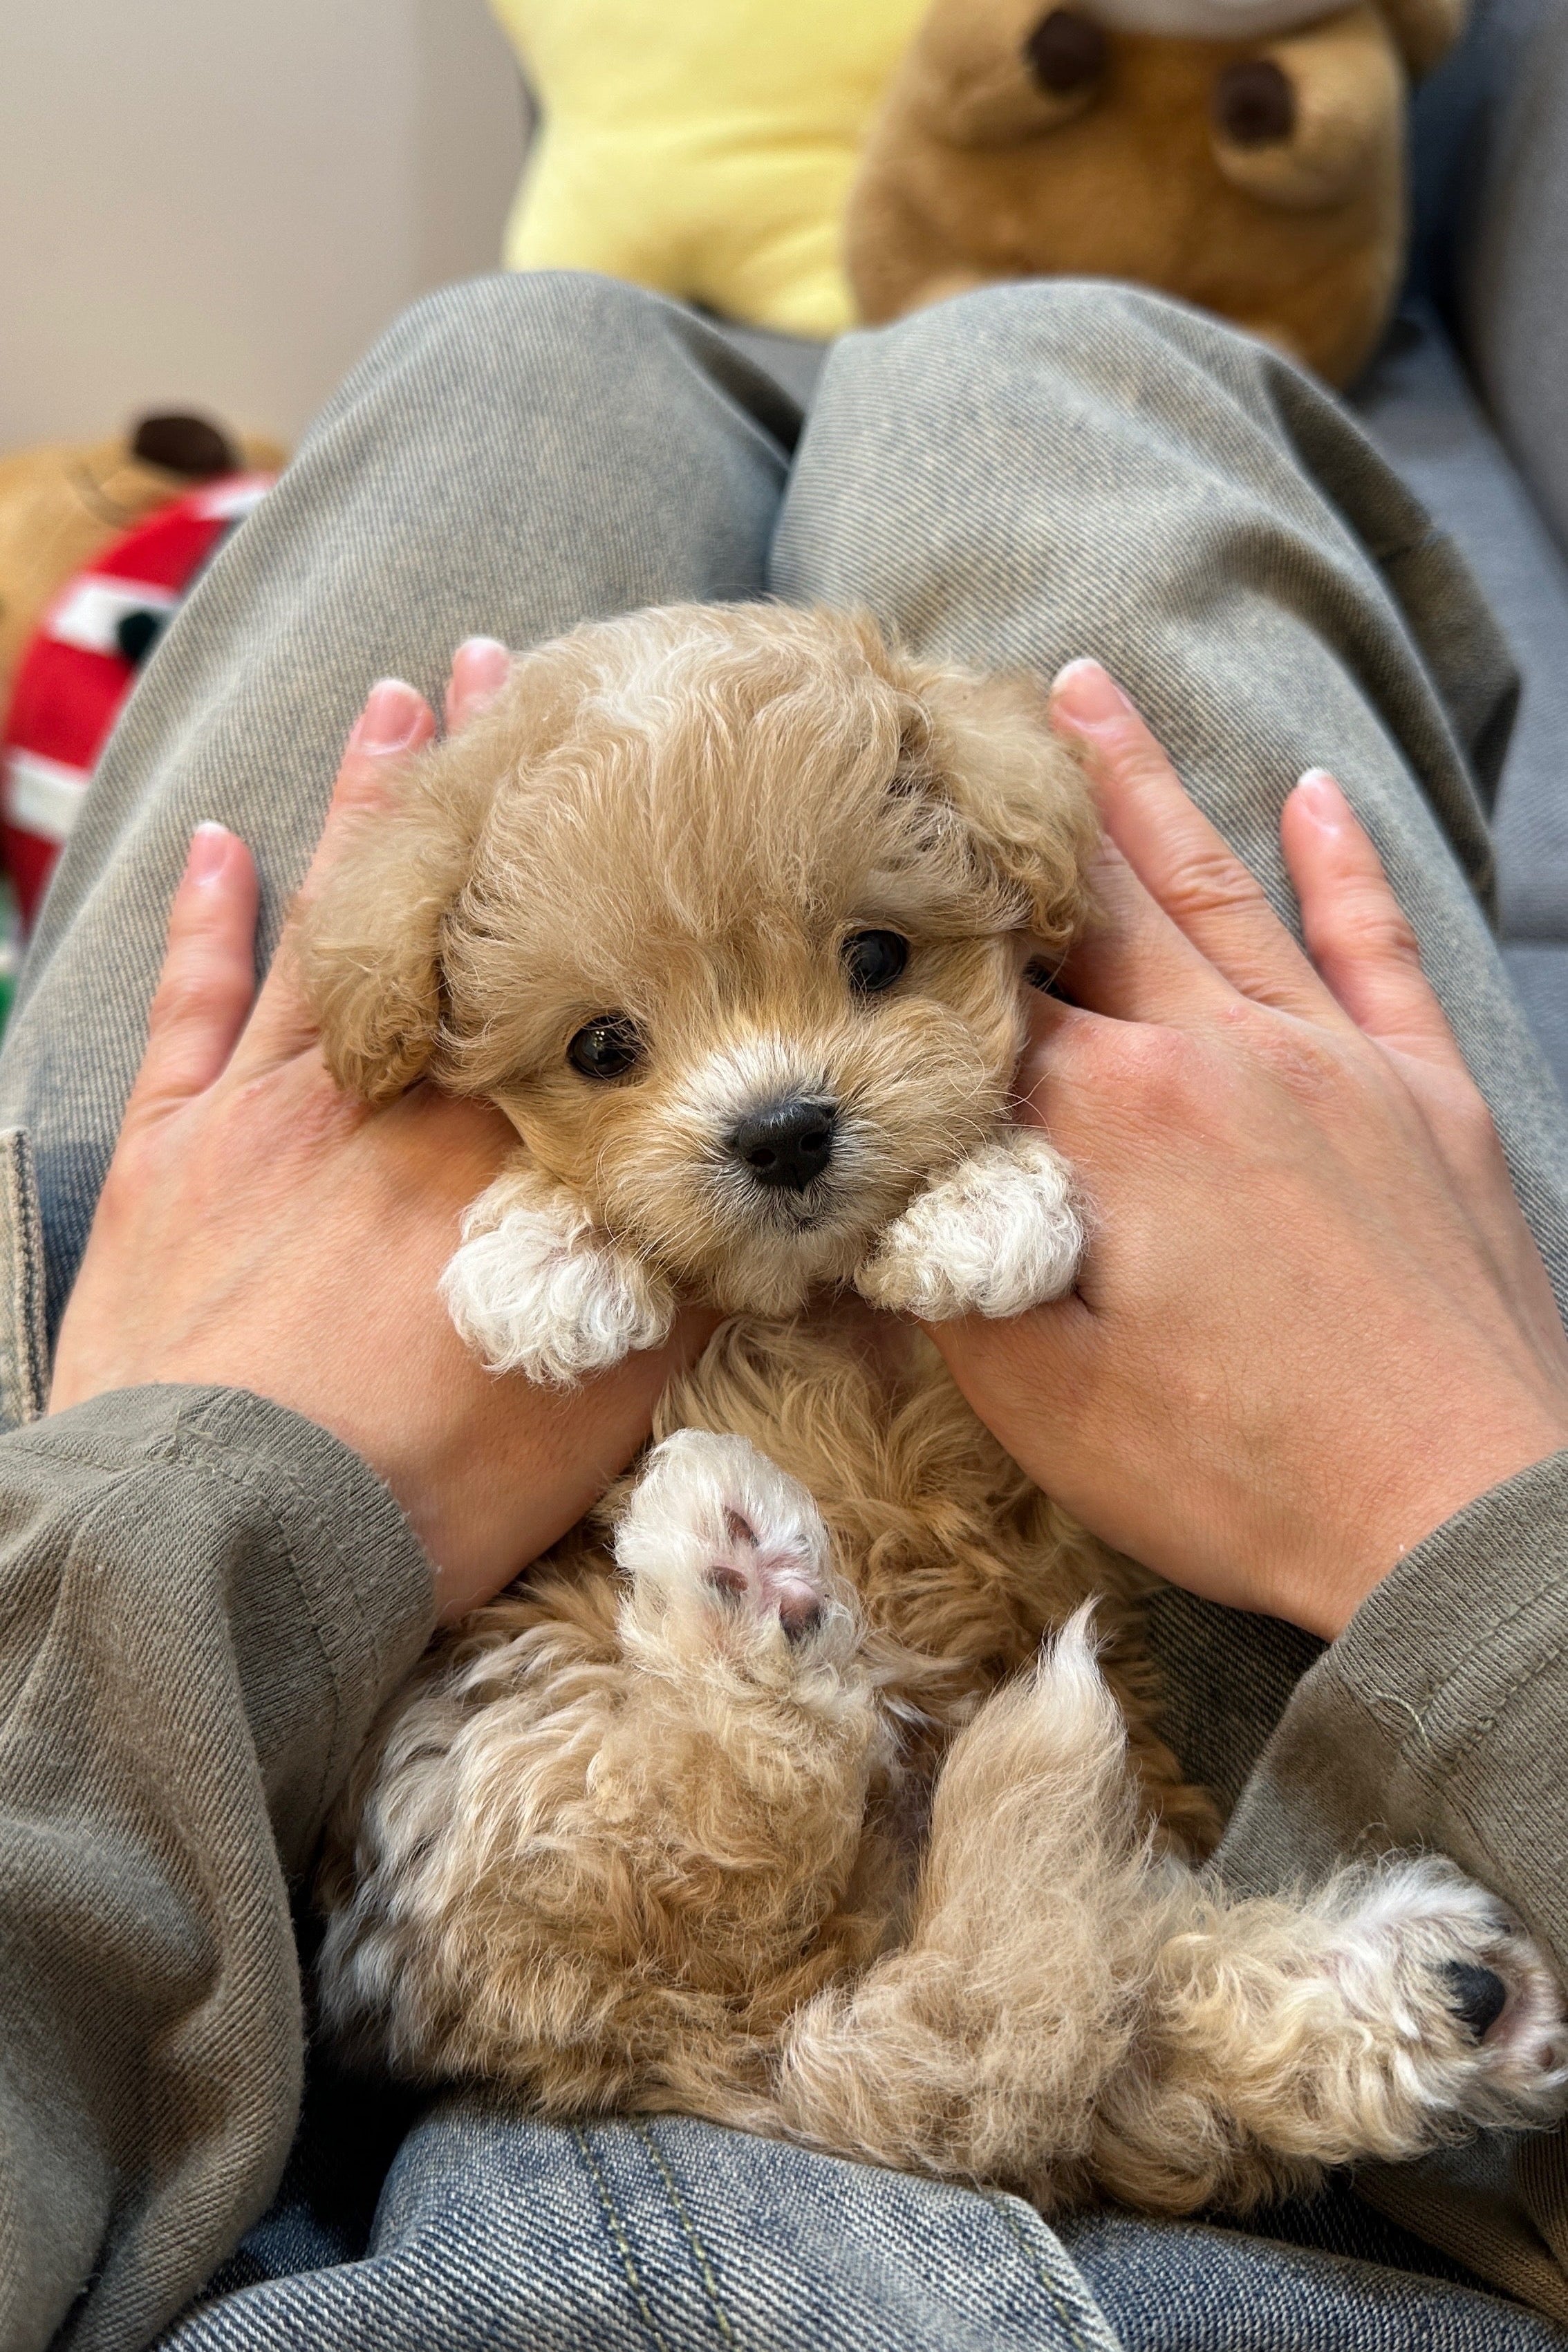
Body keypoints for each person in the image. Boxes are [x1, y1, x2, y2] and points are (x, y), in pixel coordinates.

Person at [1, 270, 1567, 2352]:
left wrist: (145, 1520)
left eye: (867, 953)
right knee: (1055, 368)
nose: (771, 1102)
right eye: (610, 1045)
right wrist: (1466, 1500)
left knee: (519, 358)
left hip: (200, 2036)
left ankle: (732, 344)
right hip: (1317, 2079)